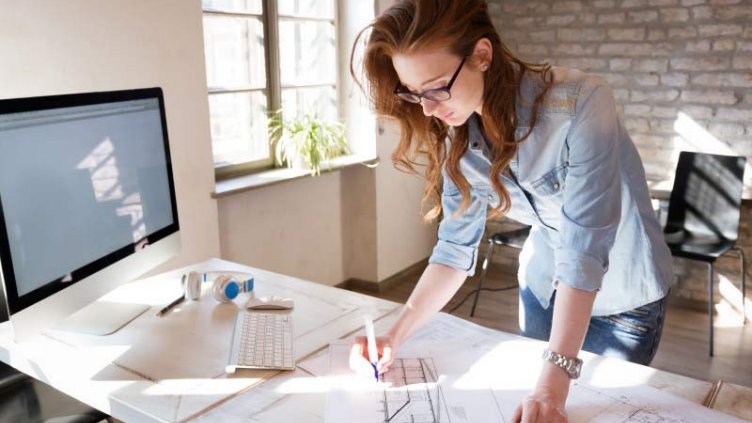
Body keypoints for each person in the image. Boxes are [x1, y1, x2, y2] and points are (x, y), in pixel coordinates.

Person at [348, 0, 674, 422]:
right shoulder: (458, 133)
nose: (427, 109)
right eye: (413, 92)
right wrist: (394, 335)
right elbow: (452, 251)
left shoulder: (583, 105)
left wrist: (552, 387)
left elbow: (583, 251)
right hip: (543, 286)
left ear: (482, 55)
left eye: (436, 88)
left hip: (624, 298)